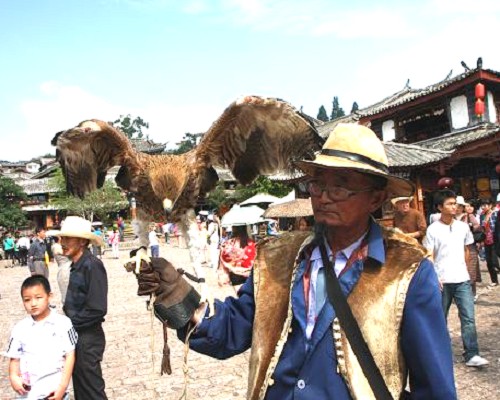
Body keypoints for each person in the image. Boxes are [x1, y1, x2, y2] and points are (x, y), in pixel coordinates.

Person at [140, 123, 456, 399]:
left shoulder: (407, 271)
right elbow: (232, 329)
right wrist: (176, 294)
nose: (323, 195)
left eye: (341, 185)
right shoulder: (277, 258)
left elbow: (435, 388)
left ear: (376, 198)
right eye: (318, 183)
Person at [423, 190, 489, 368]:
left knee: (468, 317)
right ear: (439, 207)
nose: (454, 207)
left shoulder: (462, 227)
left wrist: (465, 271)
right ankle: (439, 354)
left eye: (455, 203)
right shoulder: (433, 230)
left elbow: (467, 250)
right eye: (449, 204)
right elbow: (429, 255)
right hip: (441, 280)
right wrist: (434, 277)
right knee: (439, 318)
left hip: (461, 279)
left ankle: (472, 353)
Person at [47, 216, 108, 400]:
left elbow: (97, 309)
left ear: (82, 241)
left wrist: (67, 324)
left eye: (67, 239)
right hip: (76, 335)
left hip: (88, 337)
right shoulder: (75, 265)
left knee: (92, 389)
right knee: (81, 389)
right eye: (61, 239)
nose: (62, 243)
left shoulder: (92, 265)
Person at [6, 275, 77, 400]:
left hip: (54, 391)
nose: (33, 304)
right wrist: (13, 377)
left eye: (38, 298)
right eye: (27, 300)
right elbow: (14, 359)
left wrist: (62, 387)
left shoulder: (63, 324)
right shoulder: (20, 328)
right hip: (28, 394)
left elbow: (70, 356)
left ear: (49, 296)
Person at [479, 198, 499, 286]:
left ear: (490, 205)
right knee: (489, 262)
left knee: (495, 261)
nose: (483, 207)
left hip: (495, 240)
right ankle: (494, 281)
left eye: (485, 205)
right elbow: (482, 228)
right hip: (486, 240)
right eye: (482, 205)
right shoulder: (482, 215)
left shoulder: (495, 213)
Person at [51, 236, 72, 304]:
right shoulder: (56, 246)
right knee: (65, 291)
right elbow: (67, 253)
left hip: (69, 267)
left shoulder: (60, 246)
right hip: (64, 269)